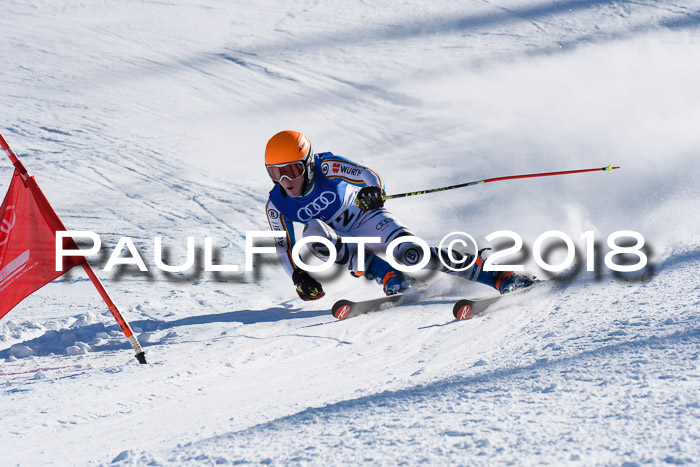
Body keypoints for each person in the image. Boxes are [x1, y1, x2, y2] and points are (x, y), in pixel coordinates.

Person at [264, 130, 533, 301]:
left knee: (411, 254)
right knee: (312, 233)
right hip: (339, 239)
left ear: (309, 164)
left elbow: (366, 175)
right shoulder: (277, 204)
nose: (286, 179)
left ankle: (495, 275)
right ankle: (390, 276)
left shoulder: (326, 165)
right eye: (276, 173)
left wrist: (373, 190)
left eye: (293, 169)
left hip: (366, 219)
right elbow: (283, 246)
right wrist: (298, 276)